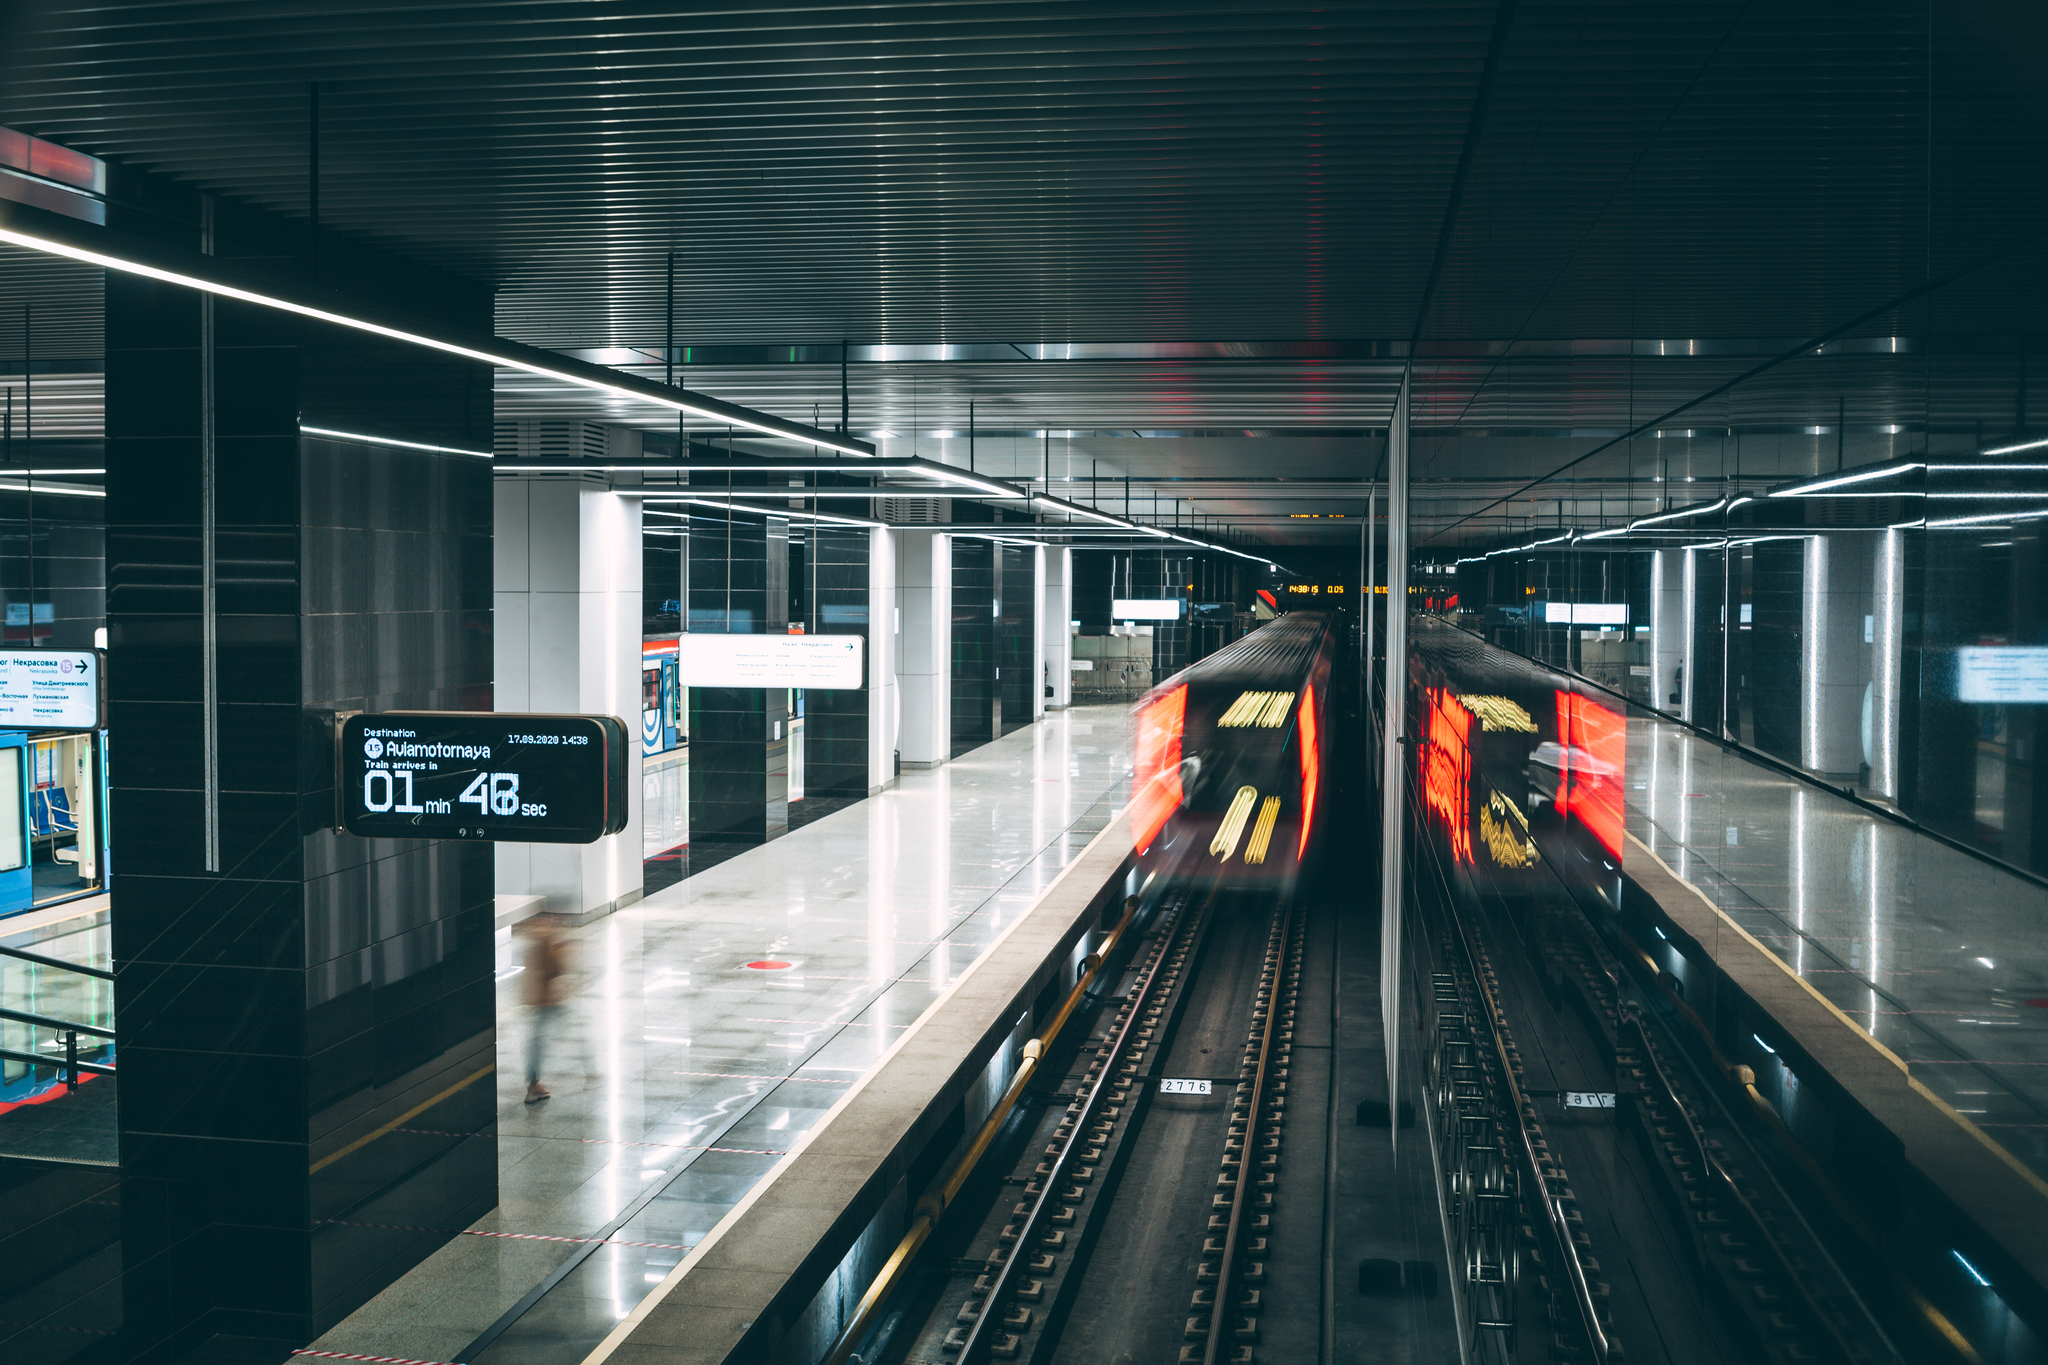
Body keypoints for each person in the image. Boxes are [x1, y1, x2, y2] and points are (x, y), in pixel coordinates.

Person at [521, 915, 571, 1104]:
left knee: (536, 1041)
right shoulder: (545, 939)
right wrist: (561, 950)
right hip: (545, 1000)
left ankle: (533, 1084)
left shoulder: (534, 937)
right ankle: (533, 1087)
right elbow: (555, 970)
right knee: (538, 1043)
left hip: (536, 999)